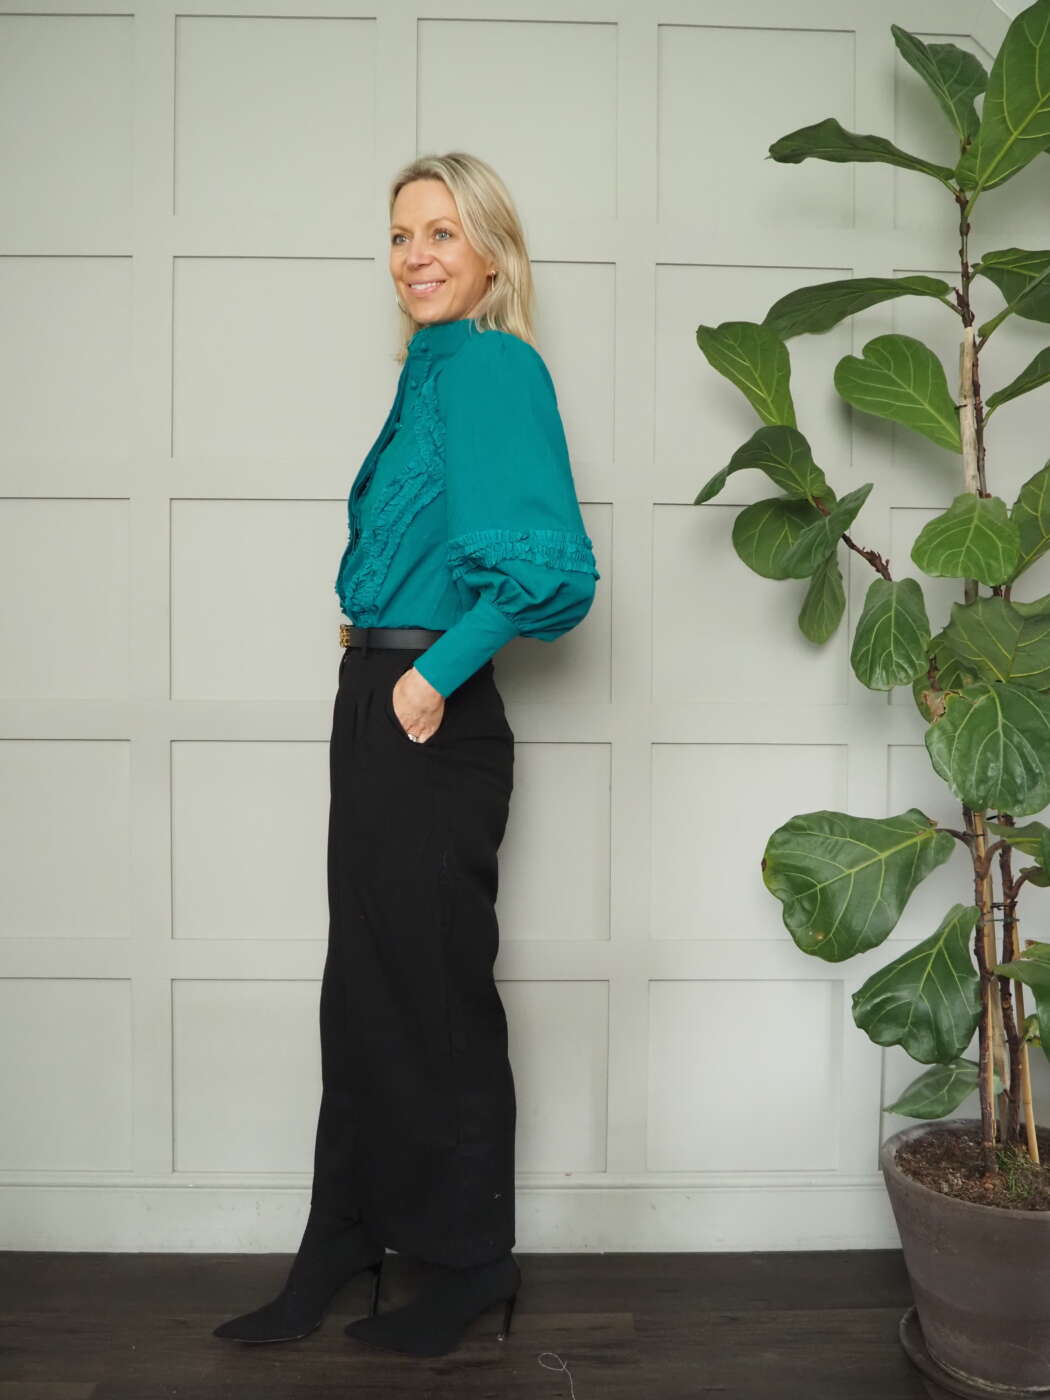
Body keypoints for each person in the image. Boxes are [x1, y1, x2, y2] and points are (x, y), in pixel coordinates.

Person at [212, 152, 600, 1358]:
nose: (416, 256)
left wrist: (432, 674)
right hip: (377, 693)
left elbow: (552, 571)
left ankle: (472, 1260)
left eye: (441, 232)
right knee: (366, 988)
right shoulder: (429, 370)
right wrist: (380, 668)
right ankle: (343, 1235)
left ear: (492, 253)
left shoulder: (491, 364)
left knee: (435, 993)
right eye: (399, 235)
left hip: (431, 706)